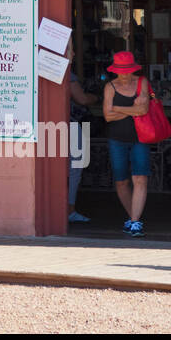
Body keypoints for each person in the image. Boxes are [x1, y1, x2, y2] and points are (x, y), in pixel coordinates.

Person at [102, 50, 151, 238]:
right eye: (120, 71)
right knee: (121, 181)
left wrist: (117, 108)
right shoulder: (109, 87)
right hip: (117, 139)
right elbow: (107, 116)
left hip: (140, 138)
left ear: (133, 70)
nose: (124, 75)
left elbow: (144, 109)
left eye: (127, 71)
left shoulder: (142, 82)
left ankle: (135, 222)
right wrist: (133, 109)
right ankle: (132, 219)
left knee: (140, 178)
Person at [67, 67, 98, 223]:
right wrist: (96, 98)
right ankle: (69, 210)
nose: (72, 53)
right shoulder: (66, 71)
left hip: (48, 125)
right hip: (70, 125)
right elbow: (82, 99)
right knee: (74, 168)